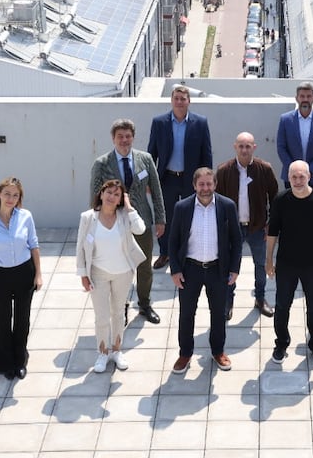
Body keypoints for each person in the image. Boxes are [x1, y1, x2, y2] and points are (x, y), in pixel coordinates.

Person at [90, 119, 166, 324]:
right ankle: (120, 307)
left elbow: (157, 192)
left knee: (144, 265)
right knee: (119, 267)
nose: (124, 140)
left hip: (141, 220)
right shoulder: (102, 163)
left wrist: (160, 219)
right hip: (113, 223)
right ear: (113, 139)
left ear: (133, 137)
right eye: (120, 137)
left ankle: (144, 304)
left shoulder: (145, 159)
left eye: (128, 136)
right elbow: (95, 197)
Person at [169, 168, 243, 373]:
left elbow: (237, 240)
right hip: (189, 270)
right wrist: (175, 270)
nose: (205, 188)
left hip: (217, 270)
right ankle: (185, 354)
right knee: (186, 314)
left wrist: (235, 268)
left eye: (209, 184)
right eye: (201, 184)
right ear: (194, 186)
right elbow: (173, 241)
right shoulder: (182, 207)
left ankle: (218, 351)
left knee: (218, 314)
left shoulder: (227, 206)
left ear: (215, 185)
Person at [266, 160, 313, 366]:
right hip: (286, 263)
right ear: (288, 177)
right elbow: (272, 232)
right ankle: (281, 344)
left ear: (309, 176)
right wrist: (269, 259)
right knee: (282, 305)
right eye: (293, 176)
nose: (297, 180)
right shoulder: (280, 199)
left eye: (301, 176)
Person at [76, 180, 146, 373]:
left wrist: (130, 207)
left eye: (117, 194)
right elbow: (80, 247)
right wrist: (83, 274)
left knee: (118, 313)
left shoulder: (125, 216)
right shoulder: (88, 217)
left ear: (120, 199)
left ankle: (116, 350)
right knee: (101, 316)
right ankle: (102, 352)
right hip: (98, 273)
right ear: (101, 194)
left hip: (123, 273)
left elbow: (140, 229)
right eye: (109, 192)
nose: (111, 196)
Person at [0, 177, 42, 380]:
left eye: (15, 195)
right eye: (7, 194)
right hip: (0, 275)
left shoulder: (26, 217)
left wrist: (38, 274)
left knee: (22, 318)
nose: (11, 198)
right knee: (1, 319)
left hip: (24, 272)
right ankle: (4, 362)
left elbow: (33, 245)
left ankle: (20, 360)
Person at [148, 85, 214, 270]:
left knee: (189, 217)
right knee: (164, 217)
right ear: (171, 100)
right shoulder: (159, 122)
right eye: (176, 98)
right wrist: (147, 179)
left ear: (189, 101)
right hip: (166, 179)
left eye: (183, 99)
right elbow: (151, 154)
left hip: (190, 180)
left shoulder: (200, 123)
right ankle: (165, 253)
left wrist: (207, 181)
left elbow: (206, 154)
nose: (179, 102)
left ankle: (186, 254)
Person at [215, 132, 279, 320]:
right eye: (241, 146)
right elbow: (216, 201)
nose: (244, 150)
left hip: (257, 228)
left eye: (248, 146)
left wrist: (270, 224)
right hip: (232, 229)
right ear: (235, 147)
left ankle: (260, 298)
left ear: (254, 147)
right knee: (229, 267)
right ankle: (228, 301)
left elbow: (275, 198)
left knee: (260, 264)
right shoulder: (224, 170)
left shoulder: (264, 169)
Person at [276, 81, 313, 188]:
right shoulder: (285, 120)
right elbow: (281, 147)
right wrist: (295, 170)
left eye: (308, 96)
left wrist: (308, 170)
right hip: (291, 177)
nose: (305, 99)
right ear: (296, 98)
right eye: (302, 96)